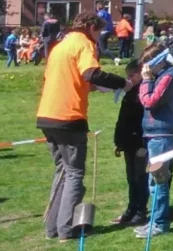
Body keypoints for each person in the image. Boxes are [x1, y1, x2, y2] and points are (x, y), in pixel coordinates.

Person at [36, 12, 130, 242]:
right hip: (69, 118)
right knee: (75, 174)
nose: (98, 38)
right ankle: (66, 230)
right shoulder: (84, 43)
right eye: (98, 32)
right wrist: (122, 84)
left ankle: (52, 228)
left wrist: (93, 88)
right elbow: (91, 73)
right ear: (90, 27)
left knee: (62, 173)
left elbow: (67, 79)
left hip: (47, 115)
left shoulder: (60, 46)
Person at [136, 42, 173, 238]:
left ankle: (160, 223)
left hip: (162, 134)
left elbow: (149, 101)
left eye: (147, 65)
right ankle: (155, 221)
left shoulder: (167, 77)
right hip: (156, 133)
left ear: (158, 62)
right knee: (155, 180)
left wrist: (146, 81)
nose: (144, 70)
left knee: (157, 181)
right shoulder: (162, 76)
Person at [112, 59, 148, 226]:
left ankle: (141, 211)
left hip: (140, 142)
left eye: (131, 75)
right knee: (131, 178)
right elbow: (123, 119)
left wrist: (143, 144)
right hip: (128, 142)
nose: (129, 78)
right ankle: (131, 208)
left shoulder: (145, 91)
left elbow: (145, 120)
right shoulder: (130, 92)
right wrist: (119, 141)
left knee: (140, 177)